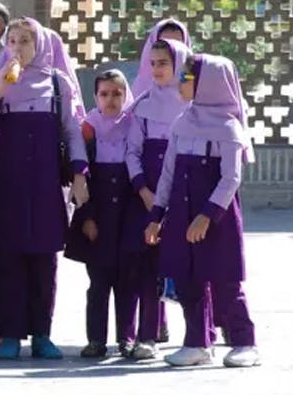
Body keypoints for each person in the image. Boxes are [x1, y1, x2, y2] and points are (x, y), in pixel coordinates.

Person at [0, 18, 89, 360]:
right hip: (7, 182)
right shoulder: (1, 79)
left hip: (43, 184)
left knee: (43, 262)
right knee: (8, 259)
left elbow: (71, 130)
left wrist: (80, 174)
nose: (18, 47)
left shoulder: (58, 84)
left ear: (39, 44)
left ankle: (42, 333)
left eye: (26, 40)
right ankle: (10, 333)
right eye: (12, 40)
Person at [144, 52, 260, 369]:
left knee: (225, 280)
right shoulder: (182, 122)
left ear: (208, 84)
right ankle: (197, 341)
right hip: (182, 216)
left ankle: (243, 341)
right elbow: (168, 173)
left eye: (186, 77)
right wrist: (157, 216)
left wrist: (207, 215)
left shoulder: (228, 128)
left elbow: (231, 178)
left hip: (216, 219)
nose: (179, 82)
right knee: (187, 279)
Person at [64, 70, 138, 359]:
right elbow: (83, 178)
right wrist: (88, 217)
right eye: (104, 94)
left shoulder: (133, 126)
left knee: (127, 281)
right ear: (95, 97)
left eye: (117, 94)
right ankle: (96, 339)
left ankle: (126, 339)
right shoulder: (88, 129)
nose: (111, 100)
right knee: (98, 283)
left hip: (126, 216)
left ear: (126, 95)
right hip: (98, 217)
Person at [125, 38, 191, 359]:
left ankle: (199, 336)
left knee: (189, 267)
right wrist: (144, 192)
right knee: (148, 268)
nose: (157, 70)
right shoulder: (142, 106)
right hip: (149, 199)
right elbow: (132, 153)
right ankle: (146, 336)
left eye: (163, 63)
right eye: (152, 63)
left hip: (185, 198)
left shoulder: (193, 108)